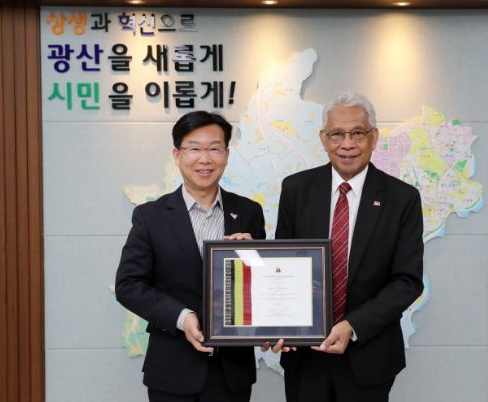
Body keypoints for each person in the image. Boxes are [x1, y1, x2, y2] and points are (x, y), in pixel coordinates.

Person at [273, 92, 424, 402]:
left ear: (374, 137)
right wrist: (275, 322)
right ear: (323, 138)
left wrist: (352, 326)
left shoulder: (402, 198)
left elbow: (407, 281)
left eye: (357, 133)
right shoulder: (296, 189)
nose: (347, 144)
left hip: (369, 354)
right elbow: (283, 266)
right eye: (337, 134)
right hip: (306, 357)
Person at [115, 111, 266, 402]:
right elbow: (129, 285)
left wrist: (254, 260)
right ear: (177, 155)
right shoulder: (150, 216)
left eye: (214, 149)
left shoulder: (249, 212)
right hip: (172, 369)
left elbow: (259, 288)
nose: (205, 159)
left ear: (226, 154)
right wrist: (182, 318)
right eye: (194, 149)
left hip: (231, 373)